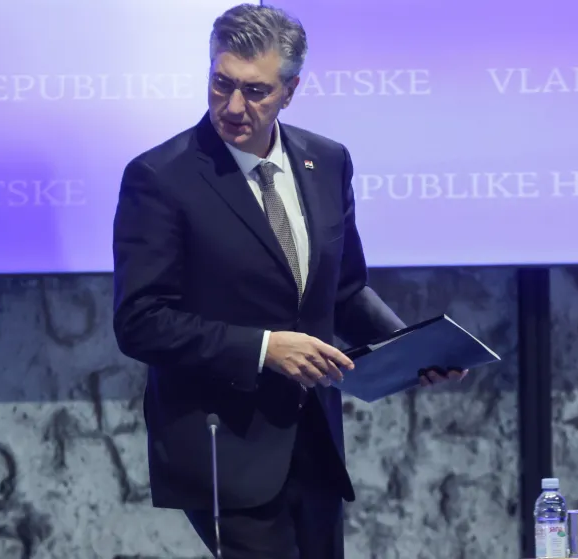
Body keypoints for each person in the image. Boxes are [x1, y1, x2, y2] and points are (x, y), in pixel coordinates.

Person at [111, 4, 466, 558]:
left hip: (314, 440)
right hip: (223, 445)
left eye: (255, 91)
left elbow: (344, 290)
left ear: (290, 90)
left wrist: (411, 349)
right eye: (221, 83)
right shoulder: (159, 178)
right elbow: (140, 321)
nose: (233, 106)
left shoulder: (327, 161)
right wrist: (264, 348)